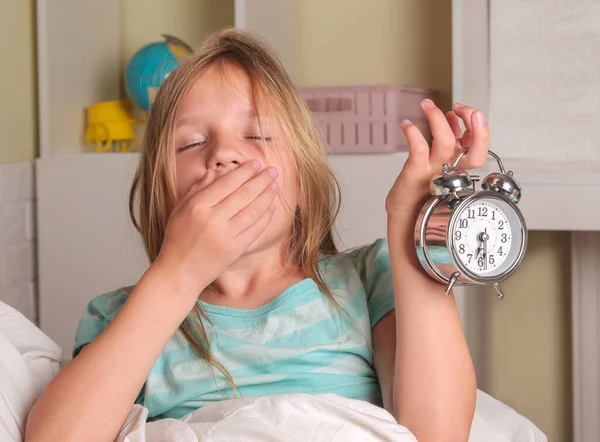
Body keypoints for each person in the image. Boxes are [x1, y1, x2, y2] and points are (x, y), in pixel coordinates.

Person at [26, 28, 488, 442]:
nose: (224, 154)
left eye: (257, 136)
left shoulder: (370, 280)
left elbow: (436, 433)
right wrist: (178, 275)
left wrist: (414, 219)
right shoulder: (121, 317)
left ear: (304, 182)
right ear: (160, 197)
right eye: (191, 143)